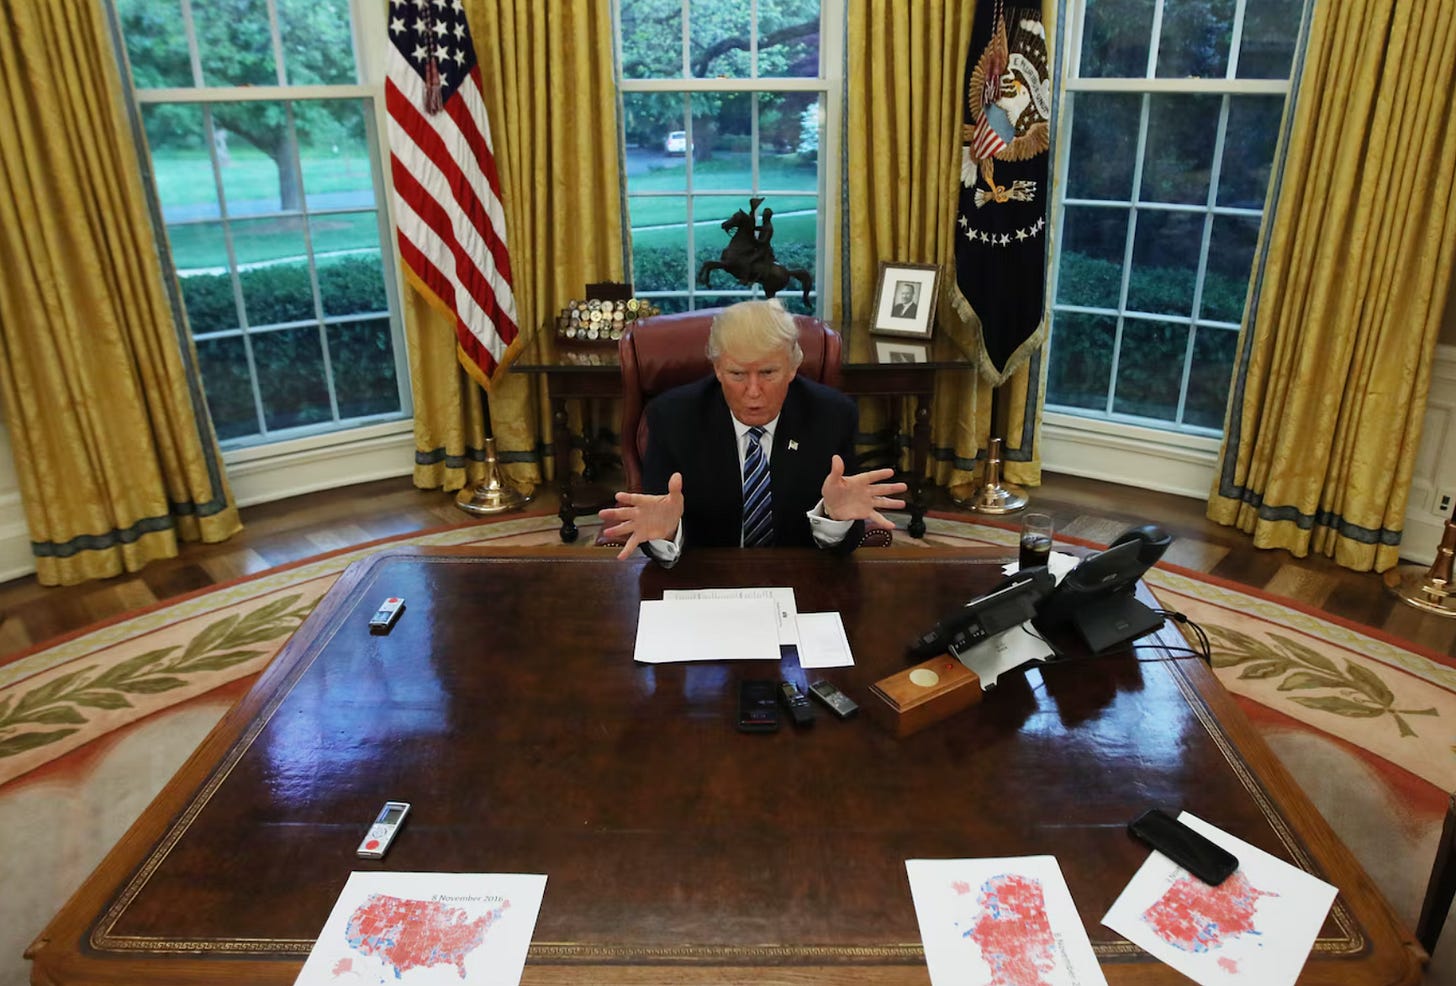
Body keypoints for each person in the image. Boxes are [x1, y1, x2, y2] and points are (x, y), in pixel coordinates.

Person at [600, 300, 907, 563]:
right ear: (717, 368)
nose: (753, 391)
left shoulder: (832, 416)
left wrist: (834, 517)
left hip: (800, 579)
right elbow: (656, 530)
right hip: (703, 582)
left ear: (793, 367)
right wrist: (666, 533)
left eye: (768, 372)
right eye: (737, 374)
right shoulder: (671, 418)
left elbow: (843, 544)